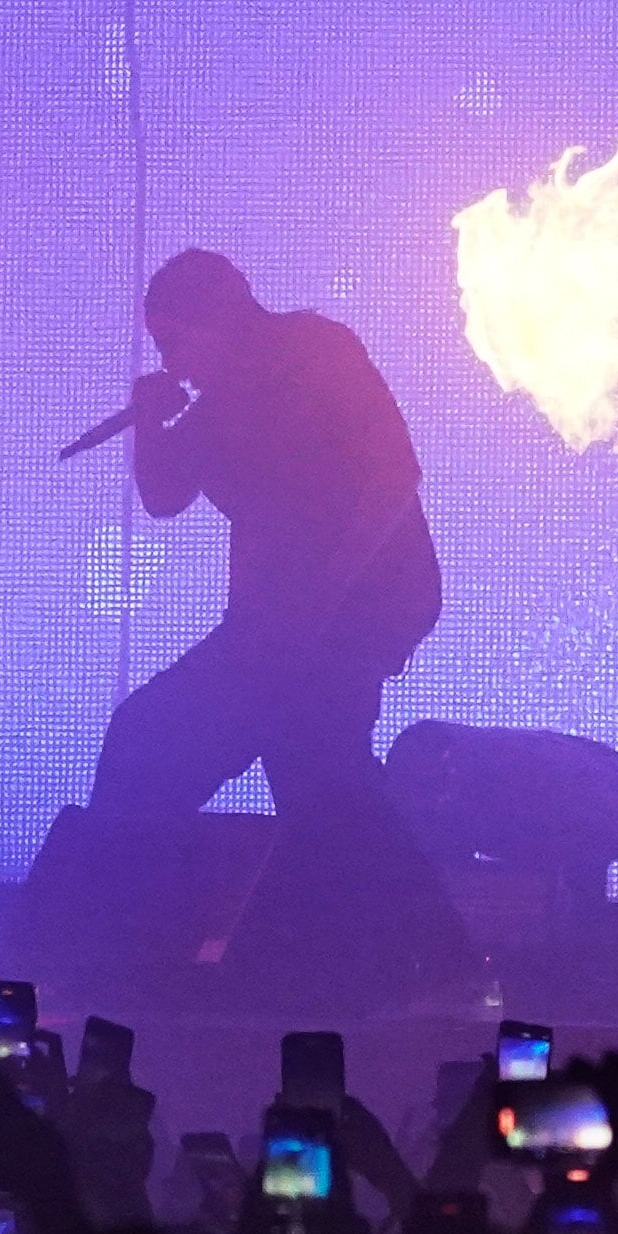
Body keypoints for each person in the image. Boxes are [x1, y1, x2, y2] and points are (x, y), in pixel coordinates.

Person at [75, 247, 441, 826]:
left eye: (175, 343)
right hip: (279, 617)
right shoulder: (216, 408)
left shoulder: (318, 350)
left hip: (362, 602)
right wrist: (149, 420)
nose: (171, 365)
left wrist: (332, 589)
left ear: (218, 319)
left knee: (287, 751)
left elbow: (395, 471)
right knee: (296, 763)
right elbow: (164, 497)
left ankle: (133, 899)